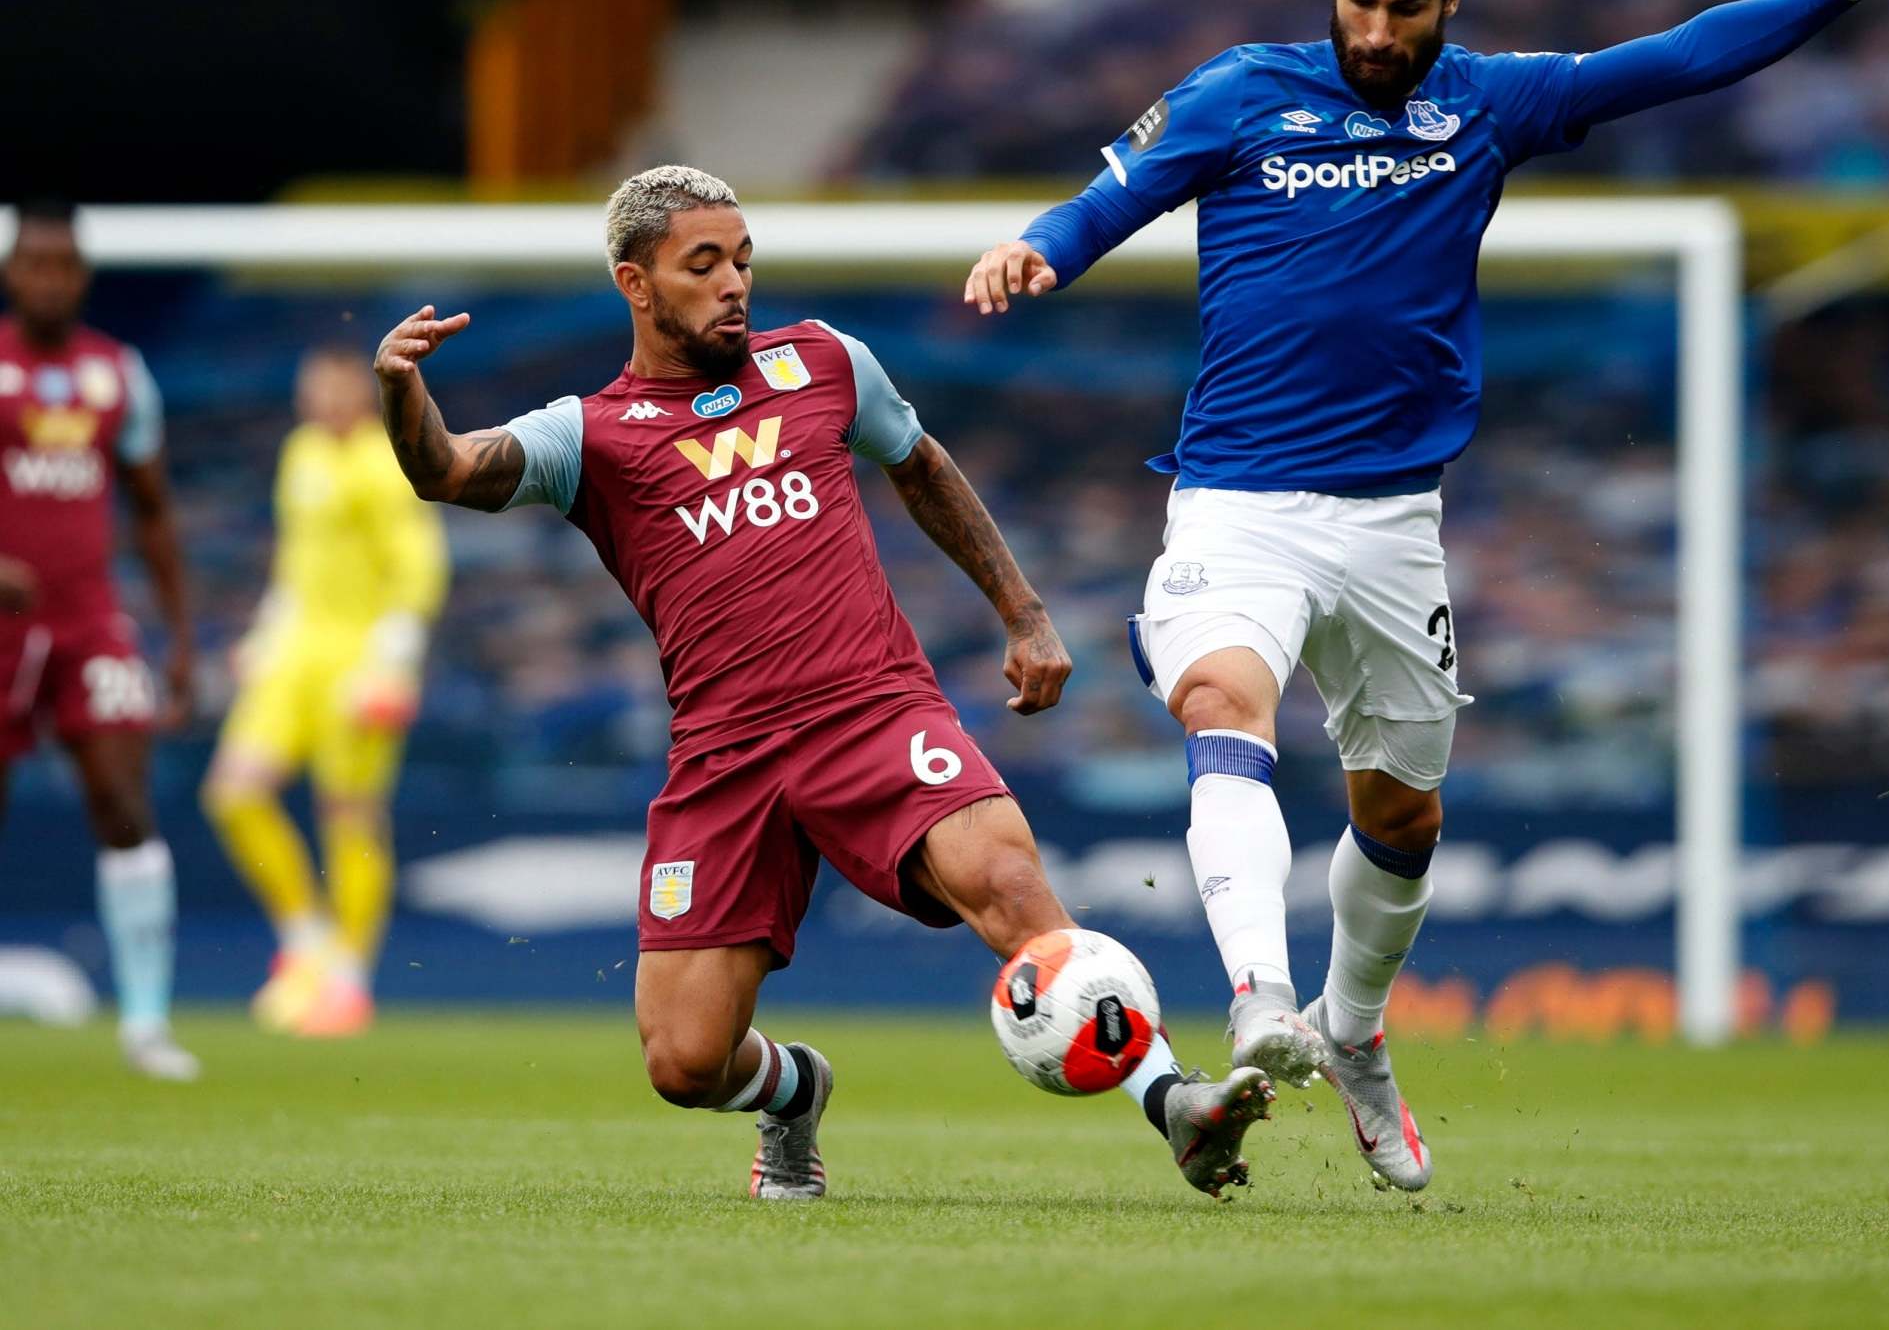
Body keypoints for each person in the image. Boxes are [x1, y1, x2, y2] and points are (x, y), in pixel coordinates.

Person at [964, 0, 1889, 1190]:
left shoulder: (1489, 104)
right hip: (1239, 499)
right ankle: (1261, 997)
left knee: (1403, 815)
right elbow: (1112, 193)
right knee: (1223, 702)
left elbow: (1672, 60)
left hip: (1393, 524)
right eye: (1357, 0)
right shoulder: (1238, 91)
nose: (1377, 31)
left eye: (1406, 7)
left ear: (1452, 1)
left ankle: (1355, 1027)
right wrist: (1039, 246)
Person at [371, 165, 1273, 1200]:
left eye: (742, 259)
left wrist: (1021, 613)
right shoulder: (592, 434)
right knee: (683, 1061)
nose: (733, 283)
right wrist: (403, 393)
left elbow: (921, 464)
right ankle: (793, 1089)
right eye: (701, 264)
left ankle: (1176, 1105)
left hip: (872, 708)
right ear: (635, 282)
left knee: (1009, 884)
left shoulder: (826, 362)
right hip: (726, 756)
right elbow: (443, 468)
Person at [0, 199, 197, 1080]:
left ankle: (146, 1023)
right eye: (34, 264)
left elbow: (152, 511)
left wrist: (182, 635)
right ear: (12, 272)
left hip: (90, 620)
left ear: (80, 275)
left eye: (62, 266)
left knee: (124, 804)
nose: (48, 279)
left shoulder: (119, 374)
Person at [201, 345, 448, 1037]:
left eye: (336, 389)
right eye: (313, 389)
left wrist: (392, 662)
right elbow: (295, 557)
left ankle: (348, 976)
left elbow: (418, 565)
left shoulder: (382, 461)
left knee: (350, 813)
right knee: (234, 792)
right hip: (294, 653)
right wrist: (265, 632)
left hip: (357, 654)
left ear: (360, 394)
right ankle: (304, 937)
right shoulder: (301, 452)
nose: (323, 402)